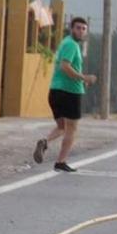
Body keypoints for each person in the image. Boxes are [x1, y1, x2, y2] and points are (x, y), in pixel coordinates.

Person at [33, 17, 97, 172]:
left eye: (83, 28)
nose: (81, 31)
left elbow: (67, 67)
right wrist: (84, 78)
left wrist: (82, 80)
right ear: (71, 28)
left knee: (62, 127)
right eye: (78, 28)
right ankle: (61, 161)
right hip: (69, 92)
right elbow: (65, 67)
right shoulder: (71, 45)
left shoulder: (65, 43)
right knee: (71, 129)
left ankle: (44, 141)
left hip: (55, 90)